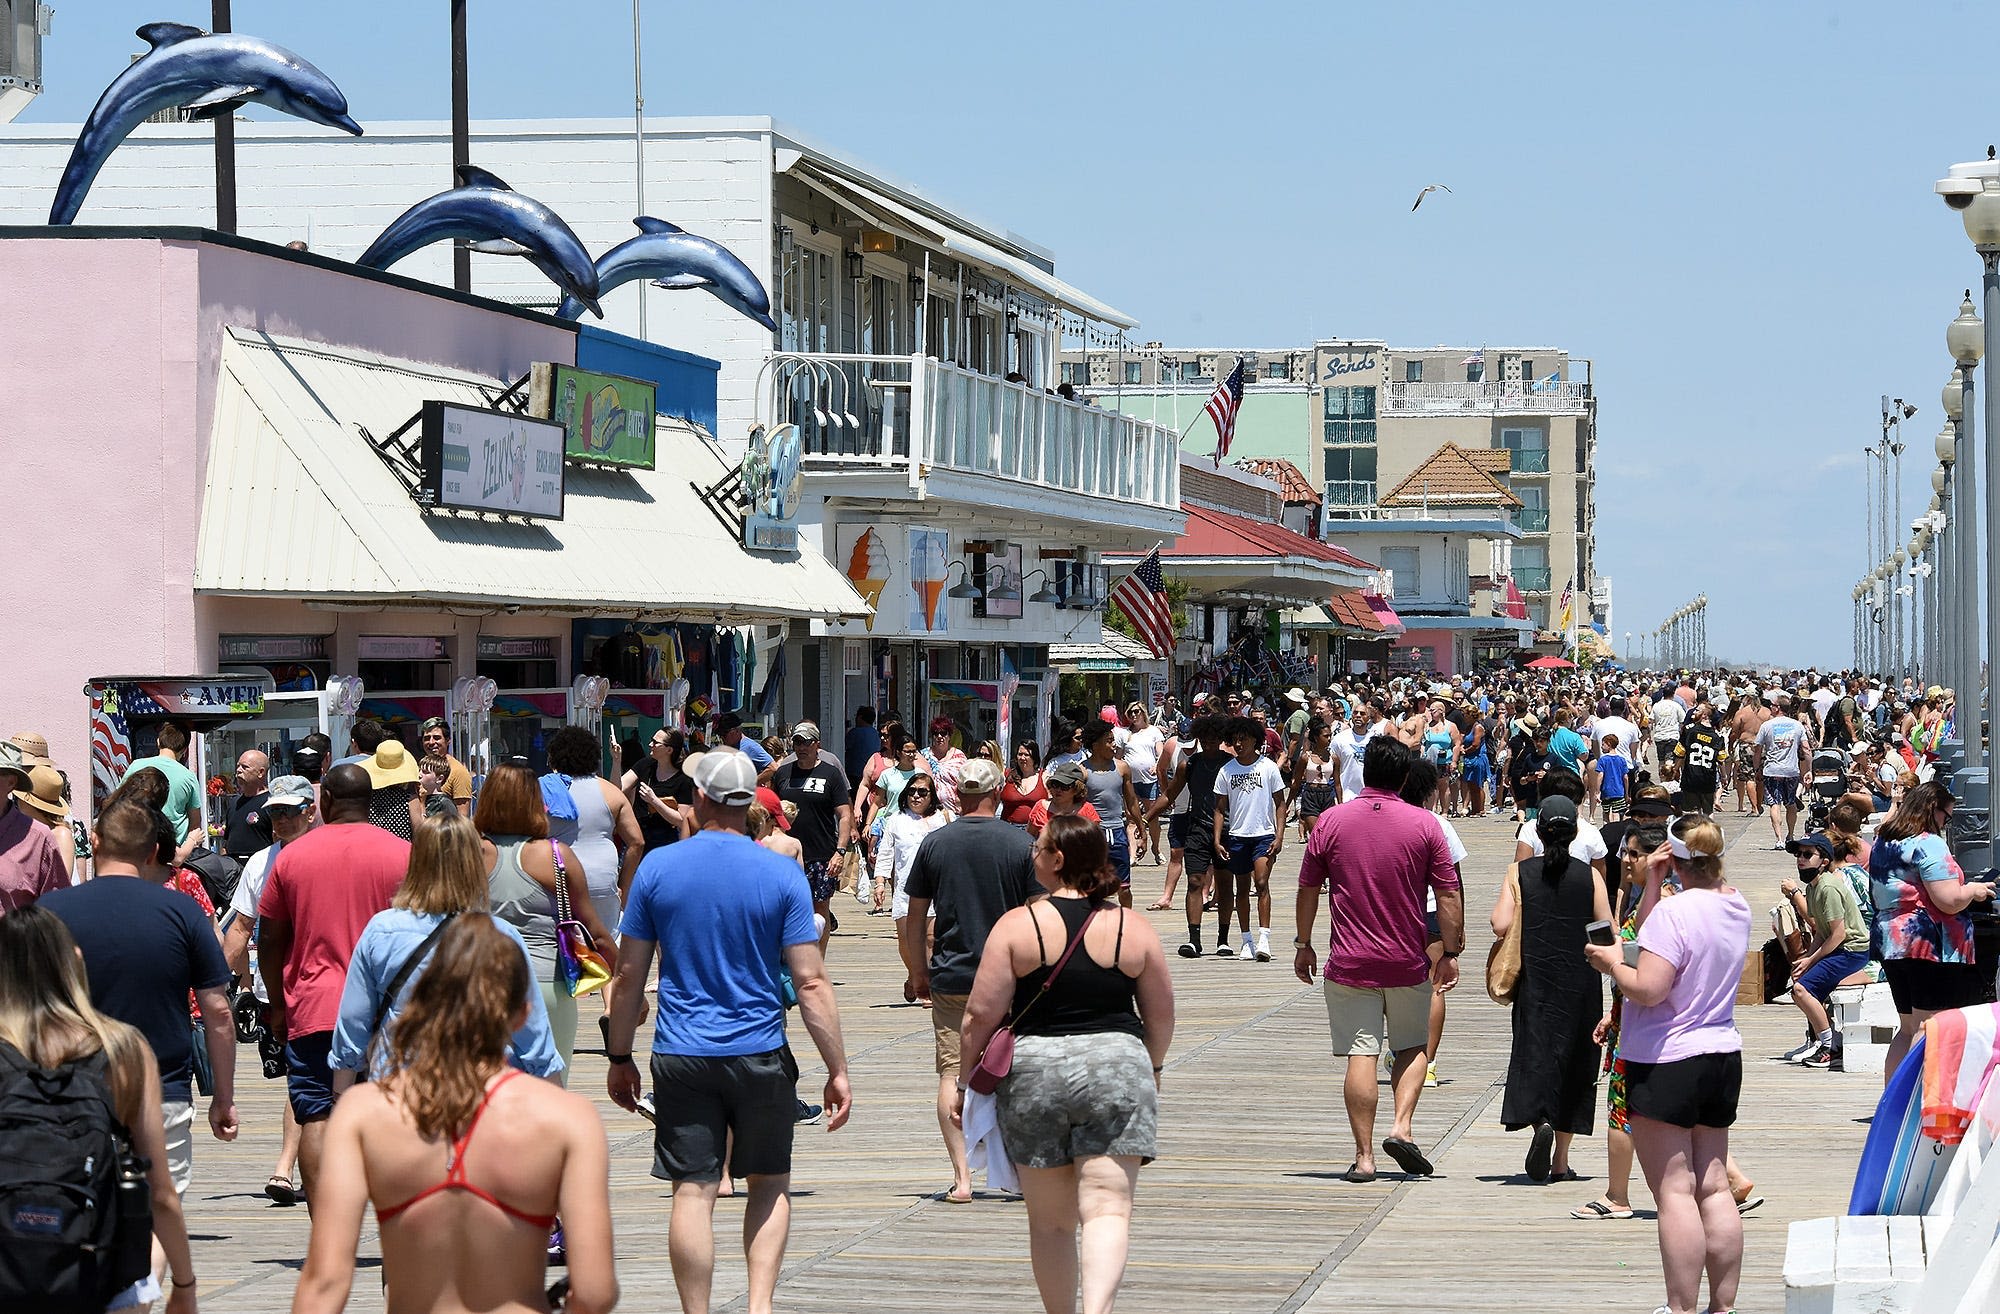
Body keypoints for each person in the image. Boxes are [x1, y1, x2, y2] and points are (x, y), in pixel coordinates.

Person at [604, 749, 851, 1314]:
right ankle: (759, 1305)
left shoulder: (659, 870)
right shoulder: (781, 872)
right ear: (749, 803)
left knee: (693, 1189)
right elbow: (810, 983)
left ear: (701, 797)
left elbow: (628, 974)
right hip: (761, 1050)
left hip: (680, 1052)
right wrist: (837, 1069)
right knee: (768, 1182)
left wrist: (620, 1055)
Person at [293, 914, 617, 1314]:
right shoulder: (568, 1119)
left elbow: (325, 1284)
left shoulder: (364, 1114)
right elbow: (596, 1291)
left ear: (418, 1009)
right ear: (520, 1015)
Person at [957, 815, 1175, 1314]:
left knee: (1051, 1222)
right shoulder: (1130, 926)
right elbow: (1161, 1015)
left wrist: (965, 1080)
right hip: (1117, 1067)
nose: (1032, 855)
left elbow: (978, 1016)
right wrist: (1154, 1067)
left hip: (1036, 1072)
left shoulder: (1018, 925)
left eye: (1039, 848)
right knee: (1108, 1211)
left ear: (1057, 861)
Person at [39, 799, 239, 1215]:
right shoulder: (183, 913)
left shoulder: (49, 914)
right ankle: (150, 1281)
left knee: (81, 1213)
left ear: (93, 843)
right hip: (160, 1088)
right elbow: (218, 1011)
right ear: (152, 853)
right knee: (160, 1211)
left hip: (70, 1092)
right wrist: (223, 1096)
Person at [1584, 816, 1748, 1314]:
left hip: (1666, 1058)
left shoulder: (1671, 916)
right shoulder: (1735, 904)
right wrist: (1657, 883)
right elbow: (1656, 942)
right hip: (1721, 1054)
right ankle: (1723, 1307)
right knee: (1714, 1185)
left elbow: (1649, 987)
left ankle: (1681, 1309)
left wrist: (1611, 963)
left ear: (1673, 858)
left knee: (1674, 1192)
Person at [0, 905, 202, 1310]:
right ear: (74, 962)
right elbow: (160, 1192)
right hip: (97, 1264)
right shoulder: (121, 1047)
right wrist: (184, 1284)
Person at [1295, 737, 1463, 1183]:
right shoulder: (1425, 825)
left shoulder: (1330, 822)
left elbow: (1308, 888)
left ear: (1364, 771)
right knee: (1412, 1045)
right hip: (1407, 959)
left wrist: (1303, 943)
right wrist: (1450, 950)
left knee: (1360, 1053)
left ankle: (1365, 1157)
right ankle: (1401, 1127)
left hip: (1349, 961)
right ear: (1406, 777)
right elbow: (1448, 893)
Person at [258, 764, 409, 1202]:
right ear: (373, 803)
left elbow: (269, 938)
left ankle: (327, 1237)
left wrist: (278, 1004)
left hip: (313, 1005)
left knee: (316, 1116)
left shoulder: (292, 857)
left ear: (324, 804)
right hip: (386, 1011)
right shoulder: (402, 853)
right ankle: (394, 1232)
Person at [330, 812, 562, 1091]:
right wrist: (554, 1099)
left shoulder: (381, 930)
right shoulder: (501, 935)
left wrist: (339, 1098)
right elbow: (534, 1036)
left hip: (398, 1092)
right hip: (479, 1094)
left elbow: (353, 1025)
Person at [905, 759, 1037, 1205]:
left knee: (951, 1073)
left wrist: (916, 969)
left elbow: (915, 916)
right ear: (998, 791)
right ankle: (1018, 1174)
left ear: (957, 794)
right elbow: (1040, 915)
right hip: (1012, 979)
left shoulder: (935, 843)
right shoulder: (1020, 843)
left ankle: (962, 1179)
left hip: (952, 974)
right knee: (1014, 1072)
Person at [1489, 797, 1609, 1183]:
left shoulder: (1518, 872)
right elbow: (1605, 930)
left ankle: (1538, 1118)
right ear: (1575, 834)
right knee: (1574, 1063)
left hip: (1534, 978)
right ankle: (1560, 1160)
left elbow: (1499, 923)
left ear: (1538, 832)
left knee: (1535, 1053)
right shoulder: (1589, 876)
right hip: (1581, 980)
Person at [476, 762, 618, 1086]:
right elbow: (595, 930)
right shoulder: (557, 855)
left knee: (484, 1091)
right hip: (546, 983)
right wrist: (625, 985)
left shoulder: (468, 851)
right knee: (551, 1088)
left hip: (481, 981)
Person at [1572, 817, 1671, 1223]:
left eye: (1635, 854)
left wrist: (1611, 960)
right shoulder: (1655, 895)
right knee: (1673, 1110)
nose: (1626, 860)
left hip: (1646, 1028)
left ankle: (1617, 1196)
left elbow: (1642, 956)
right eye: (1625, 852)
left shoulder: (1660, 899)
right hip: (1638, 1021)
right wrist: (1613, 1015)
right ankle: (1730, 1181)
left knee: (1621, 1108)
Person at [219, 774, 311, 1205]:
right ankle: (299, 1166)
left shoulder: (327, 855)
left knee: (312, 1077)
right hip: (275, 989)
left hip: (326, 983)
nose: (282, 820)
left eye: (291, 811)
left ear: (311, 810)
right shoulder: (261, 862)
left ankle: (288, 1165)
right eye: (275, 812)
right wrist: (215, 984)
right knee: (301, 1078)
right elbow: (240, 926)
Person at [1868, 780, 1994, 1083]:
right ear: (1931, 810)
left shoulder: (1885, 841)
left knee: (1908, 1027)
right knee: (1929, 1028)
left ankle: (1893, 1107)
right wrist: (1973, 890)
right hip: (1926, 944)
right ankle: (1916, 1108)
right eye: (1946, 817)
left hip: (1892, 942)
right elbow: (1948, 900)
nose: (1946, 824)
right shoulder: (1927, 843)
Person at [545, 726, 645, 1039]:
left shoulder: (548, 791)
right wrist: (624, 883)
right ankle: (611, 1009)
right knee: (607, 941)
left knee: (562, 943)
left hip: (560, 874)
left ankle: (559, 1016)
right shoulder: (610, 792)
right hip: (602, 876)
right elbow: (637, 841)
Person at [1776, 833, 1872, 1069]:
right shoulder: (1813, 887)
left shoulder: (1828, 888)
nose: (1801, 859)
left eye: (1808, 854)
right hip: (1839, 948)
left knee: (1801, 989)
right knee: (1802, 982)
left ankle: (1829, 1046)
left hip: (1852, 950)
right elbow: (1821, 931)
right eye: (1798, 854)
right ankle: (1830, 1040)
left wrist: (1812, 960)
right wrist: (1807, 958)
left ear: (1824, 861)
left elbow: (1838, 934)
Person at [1150, 716, 1230, 958]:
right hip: (1196, 828)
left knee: (1225, 886)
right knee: (1195, 881)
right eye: (1205, 739)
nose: (1210, 743)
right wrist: (1146, 818)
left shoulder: (1230, 765)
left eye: (1215, 739)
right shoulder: (1190, 765)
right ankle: (1194, 940)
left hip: (1227, 831)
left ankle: (1223, 940)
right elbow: (1170, 795)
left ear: (1221, 739)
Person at [770, 723, 854, 951]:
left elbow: (844, 814)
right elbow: (772, 812)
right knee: (788, 909)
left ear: (818, 744)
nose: (801, 747)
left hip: (821, 855)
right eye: (797, 742)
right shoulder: (783, 774)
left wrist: (840, 851)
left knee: (820, 910)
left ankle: (817, 961)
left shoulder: (830, 773)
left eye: (807, 742)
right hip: (786, 854)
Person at [1215, 716, 1286, 962]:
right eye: (1235, 740)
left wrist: (1279, 834)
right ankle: (1246, 940)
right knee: (1241, 888)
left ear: (1255, 740)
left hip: (1263, 835)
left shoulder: (1268, 768)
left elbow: (1280, 803)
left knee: (1262, 883)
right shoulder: (1227, 770)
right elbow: (1219, 807)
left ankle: (1264, 938)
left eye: (1243, 739)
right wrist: (1217, 839)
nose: (1239, 744)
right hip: (1237, 835)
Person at [875, 771, 947, 1002]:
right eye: (912, 791)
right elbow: (886, 852)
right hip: (906, 889)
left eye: (922, 792)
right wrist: (879, 882)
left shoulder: (944, 818)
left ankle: (927, 986)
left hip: (937, 888)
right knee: (906, 941)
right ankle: (913, 974)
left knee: (931, 939)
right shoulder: (896, 819)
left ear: (931, 795)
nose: (915, 796)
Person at [1081, 718, 1144, 908]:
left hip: (1117, 832)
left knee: (1124, 887)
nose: (1114, 745)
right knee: (1091, 886)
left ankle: (1127, 923)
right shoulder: (1082, 771)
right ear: (1095, 745)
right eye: (1109, 741)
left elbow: (1131, 800)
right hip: (1093, 834)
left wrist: (1141, 828)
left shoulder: (1122, 767)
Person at [121, 721, 203, 863]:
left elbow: (119, 801)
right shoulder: (188, 777)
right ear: (184, 749)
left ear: (158, 742)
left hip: (137, 848)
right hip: (173, 853)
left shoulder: (136, 766)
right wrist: (190, 843)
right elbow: (195, 822)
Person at [625, 728, 694, 853]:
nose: (650, 745)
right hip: (638, 837)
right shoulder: (645, 765)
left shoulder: (684, 779)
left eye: (655, 742)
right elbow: (618, 788)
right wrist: (616, 760)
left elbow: (681, 820)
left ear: (669, 750)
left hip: (665, 841)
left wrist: (654, 801)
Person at [1757, 693, 1810, 847]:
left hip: (1772, 769)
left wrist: (1756, 768)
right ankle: (1791, 835)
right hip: (1791, 770)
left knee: (1775, 804)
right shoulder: (1797, 725)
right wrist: (1809, 769)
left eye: (1772, 705)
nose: (1771, 708)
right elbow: (1806, 748)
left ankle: (1779, 839)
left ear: (1778, 708)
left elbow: (1758, 749)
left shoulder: (1767, 725)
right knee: (1791, 803)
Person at [12, 763, 76, 880]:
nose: (17, 801)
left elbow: (60, 883)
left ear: (29, 804)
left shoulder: (60, 835)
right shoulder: (24, 829)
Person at [1121, 703, 1167, 863]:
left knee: (1152, 816)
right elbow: (1119, 756)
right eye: (1130, 712)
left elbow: (1161, 753)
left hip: (1149, 780)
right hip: (1130, 781)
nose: (1133, 715)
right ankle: (1132, 855)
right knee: (1131, 818)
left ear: (1143, 712)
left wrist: (1157, 765)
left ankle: (1155, 848)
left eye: (1136, 711)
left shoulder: (1154, 731)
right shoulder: (1126, 734)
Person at [362, 738, 422, 842]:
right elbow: (419, 832)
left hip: (371, 849)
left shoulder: (366, 798)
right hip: (402, 853)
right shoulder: (410, 799)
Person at [221, 749, 272, 866]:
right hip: (233, 868)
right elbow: (226, 841)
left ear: (261, 772)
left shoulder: (271, 803)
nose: (238, 770)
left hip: (260, 867)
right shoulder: (234, 802)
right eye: (238, 766)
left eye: (245, 767)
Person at [416, 716, 474, 816]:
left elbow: (462, 817)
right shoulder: (419, 768)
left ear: (448, 741)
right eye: (426, 738)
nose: (431, 742)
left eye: (437, 738)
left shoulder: (458, 772)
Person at [1291, 718, 1337, 842]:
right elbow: (1296, 781)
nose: (1329, 739)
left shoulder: (1334, 757)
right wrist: (1288, 802)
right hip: (1310, 795)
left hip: (1327, 795)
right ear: (1316, 738)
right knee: (1316, 833)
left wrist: (1341, 804)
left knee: (1328, 834)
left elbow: (1338, 783)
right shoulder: (1305, 757)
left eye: (1330, 736)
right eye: (1326, 736)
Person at [1678, 704, 1724, 816]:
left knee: (1692, 811)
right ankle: (1710, 832)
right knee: (1708, 811)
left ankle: (1695, 832)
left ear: (1704, 715)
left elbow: (1680, 753)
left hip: (1691, 777)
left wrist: (1675, 769)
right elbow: (1721, 759)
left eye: (1697, 710)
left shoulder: (1689, 730)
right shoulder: (1717, 737)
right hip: (1708, 779)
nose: (1694, 712)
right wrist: (1724, 776)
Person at [922, 716, 968, 816]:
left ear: (949, 735)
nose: (939, 736)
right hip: (927, 812)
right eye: (935, 733)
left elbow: (966, 783)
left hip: (954, 812)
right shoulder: (923, 756)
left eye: (943, 733)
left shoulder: (960, 757)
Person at [1000, 740, 1048, 828]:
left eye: (1026, 755)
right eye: (1020, 754)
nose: (1022, 758)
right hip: (1008, 827)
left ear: (1034, 757)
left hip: (1035, 829)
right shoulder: (1007, 775)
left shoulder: (1044, 777)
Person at [717, 711, 774, 777]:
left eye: (724, 734)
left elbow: (773, 768)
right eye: (720, 734)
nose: (722, 737)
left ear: (737, 731)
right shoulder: (732, 747)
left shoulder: (750, 747)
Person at [1596, 734, 1631, 820]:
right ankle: (1616, 830)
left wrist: (1597, 791)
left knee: (1606, 814)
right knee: (1617, 813)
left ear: (1609, 744)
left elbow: (1600, 775)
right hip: (1619, 791)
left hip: (1606, 791)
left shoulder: (1603, 759)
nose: (1601, 747)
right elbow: (1625, 777)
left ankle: (1606, 830)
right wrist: (1626, 793)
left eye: (1603, 744)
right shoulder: (1622, 760)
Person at [845, 705, 882, 782]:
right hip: (872, 772)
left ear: (860, 717)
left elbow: (844, 748)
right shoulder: (876, 734)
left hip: (855, 774)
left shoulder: (855, 733)